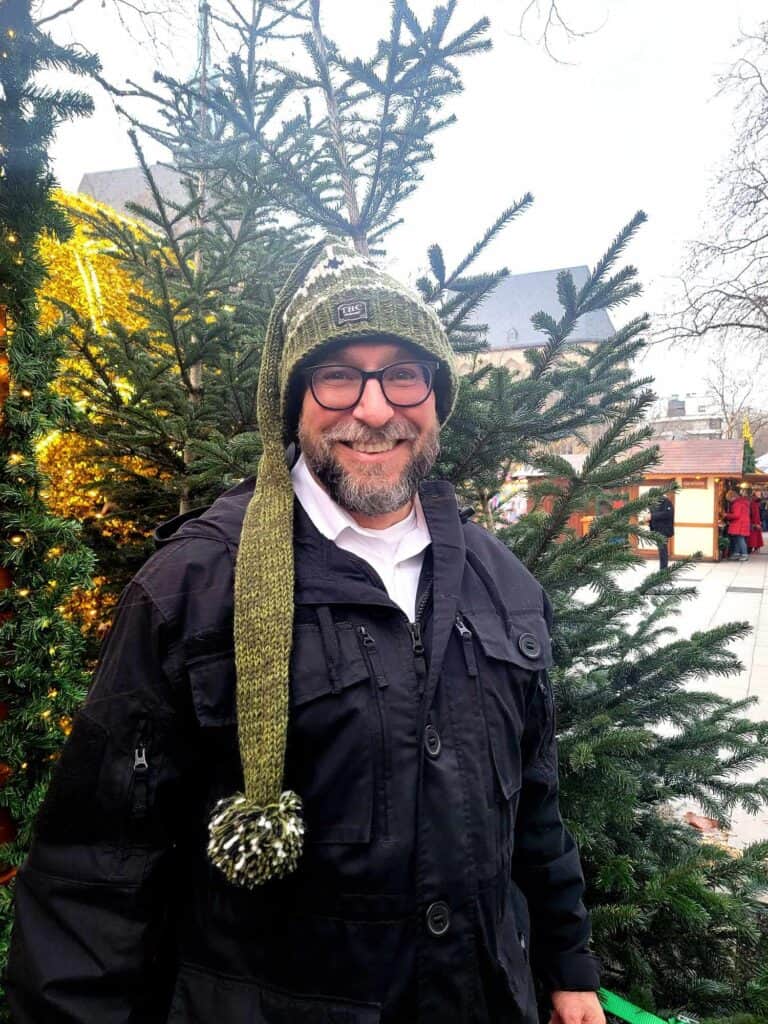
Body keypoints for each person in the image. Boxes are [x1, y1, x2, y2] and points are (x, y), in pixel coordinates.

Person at [7, 239, 604, 1024]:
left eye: (403, 373)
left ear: (435, 396)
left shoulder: (502, 583)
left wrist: (568, 967)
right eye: (337, 374)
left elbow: (534, 805)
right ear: (294, 400)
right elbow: (96, 873)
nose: (374, 407)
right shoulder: (193, 587)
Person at [723, 488, 751, 561]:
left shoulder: (737, 504)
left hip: (739, 524)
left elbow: (736, 515)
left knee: (740, 539)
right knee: (737, 539)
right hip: (742, 523)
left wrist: (726, 515)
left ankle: (744, 555)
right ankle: (736, 553)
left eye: (729, 499)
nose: (729, 501)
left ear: (733, 497)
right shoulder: (742, 502)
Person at [649, 491, 674, 570]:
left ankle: (663, 569)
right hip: (656, 529)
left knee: (663, 550)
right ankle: (663, 568)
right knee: (661, 550)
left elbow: (667, 514)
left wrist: (652, 516)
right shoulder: (653, 503)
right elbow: (652, 515)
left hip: (664, 530)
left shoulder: (666, 502)